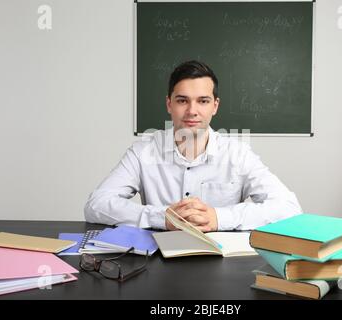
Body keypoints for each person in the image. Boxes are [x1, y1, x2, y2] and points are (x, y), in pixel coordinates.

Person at [84, 60, 302, 231]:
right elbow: (96, 205)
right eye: (182, 100)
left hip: (222, 265)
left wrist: (218, 217)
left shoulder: (238, 153)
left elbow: (289, 208)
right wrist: (162, 217)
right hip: (158, 263)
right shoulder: (143, 151)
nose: (192, 111)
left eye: (203, 101)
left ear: (215, 106)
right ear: (169, 104)